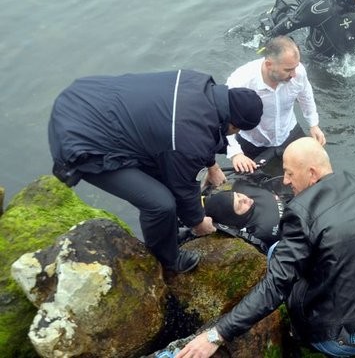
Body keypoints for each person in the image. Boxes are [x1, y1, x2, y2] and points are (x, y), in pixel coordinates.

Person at [176, 137, 355, 358]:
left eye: (289, 173)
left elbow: (275, 286)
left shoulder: (300, 213)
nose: (285, 181)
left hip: (344, 339)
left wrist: (216, 335)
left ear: (311, 173)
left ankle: (304, 340)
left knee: (275, 252)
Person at [48, 69, 263, 273]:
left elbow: (201, 131)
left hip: (88, 96)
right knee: (160, 204)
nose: (233, 133)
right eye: (236, 130)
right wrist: (198, 223)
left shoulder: (199, 82)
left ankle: (165, 234)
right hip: (80, 141)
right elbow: (183, 183)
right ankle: (167, 260)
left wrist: (212, 166)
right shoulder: (189, 136)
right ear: (233, 124)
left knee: (164, 177)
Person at [225, 35, 326, 174]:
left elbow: (306, 95)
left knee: (310, 171)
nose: (294, 74)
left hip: (289, 132)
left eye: (295, 67)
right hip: (253, 141)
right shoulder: (241, 81)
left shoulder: (298, 72)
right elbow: (223, 119)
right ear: (268, 64)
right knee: (256, 184)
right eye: (288, 70)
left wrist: (313, 124)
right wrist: (236, 154)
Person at [202, 179, 286, 254]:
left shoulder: (241, 185)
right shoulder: (259, 232)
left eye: (238, 195)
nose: (244, 198)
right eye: (239, 204)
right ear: (234, 218)